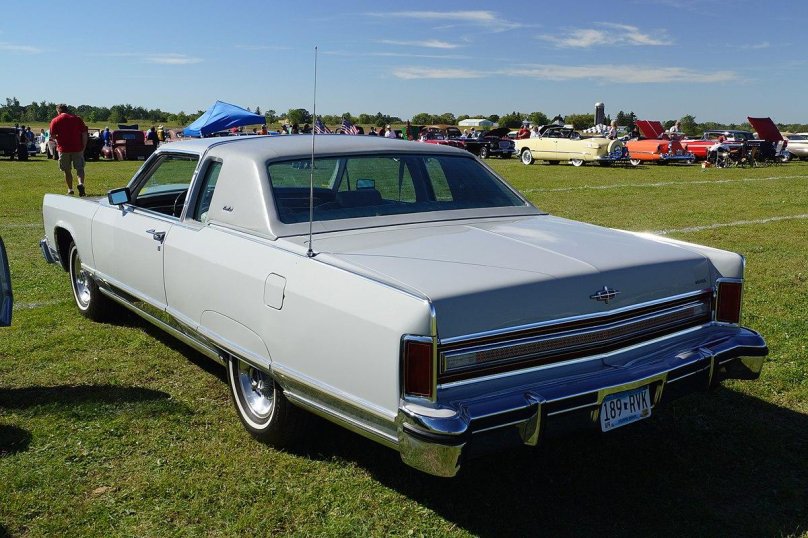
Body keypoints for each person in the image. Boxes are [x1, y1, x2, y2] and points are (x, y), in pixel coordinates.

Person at [49, 104, 89, 196]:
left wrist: (58, 139)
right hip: (77, 148)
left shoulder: (55, 120)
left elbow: (53, 136)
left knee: (67, 170)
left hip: (63, 149)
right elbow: (84, 134)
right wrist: (83, 147)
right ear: (67, 110)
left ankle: (70, 189)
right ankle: (80, 184)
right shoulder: (77, 119)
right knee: (80, 168)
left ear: (58, 111)